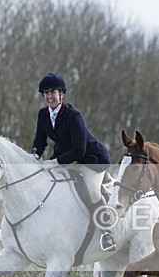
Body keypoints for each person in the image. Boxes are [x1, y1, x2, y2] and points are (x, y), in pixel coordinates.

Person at [31, 72, 116, 252]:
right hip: (67, 158)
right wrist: (35, 156)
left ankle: (107, 233)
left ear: (61, 94)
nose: (49, 97)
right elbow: (40, 141)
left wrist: (54, 162)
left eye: (52, 92)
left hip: (91, 159)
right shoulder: (43, 115)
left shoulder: (73, 115)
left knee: (92, 191)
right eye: (45, 93)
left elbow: (79, 149)